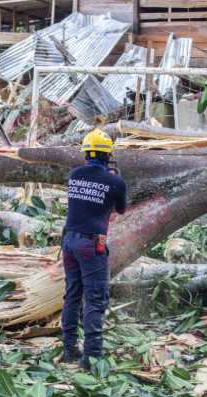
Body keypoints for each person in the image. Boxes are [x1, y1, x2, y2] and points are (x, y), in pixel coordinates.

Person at [61, 128, 127, 370]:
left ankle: (69, 350)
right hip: (91, 245)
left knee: (73, 295)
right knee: (96, 300)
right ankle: (91, 359)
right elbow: (120, 210)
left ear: (86, 154)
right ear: (108, 155)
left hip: (69, 241)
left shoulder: (74, 175)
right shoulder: (116, 181)